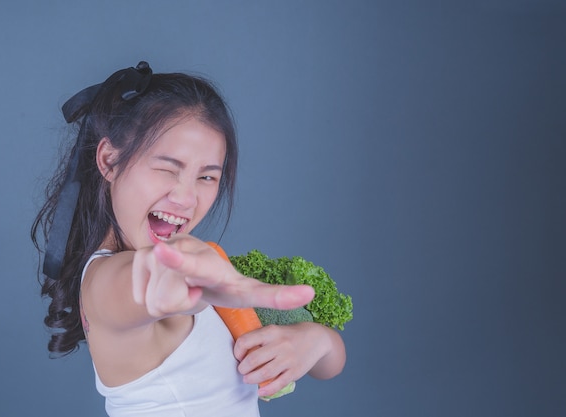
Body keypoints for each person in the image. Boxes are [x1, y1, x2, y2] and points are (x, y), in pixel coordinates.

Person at [32, 61, 346, 416]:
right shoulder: (104, 285)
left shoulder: (215, 286)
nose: (186, 198)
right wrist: (182, 276)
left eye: (207, 177)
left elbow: (330, 364)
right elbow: (144, 283)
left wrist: (315, 340)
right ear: (109, 160)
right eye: (168, 169)